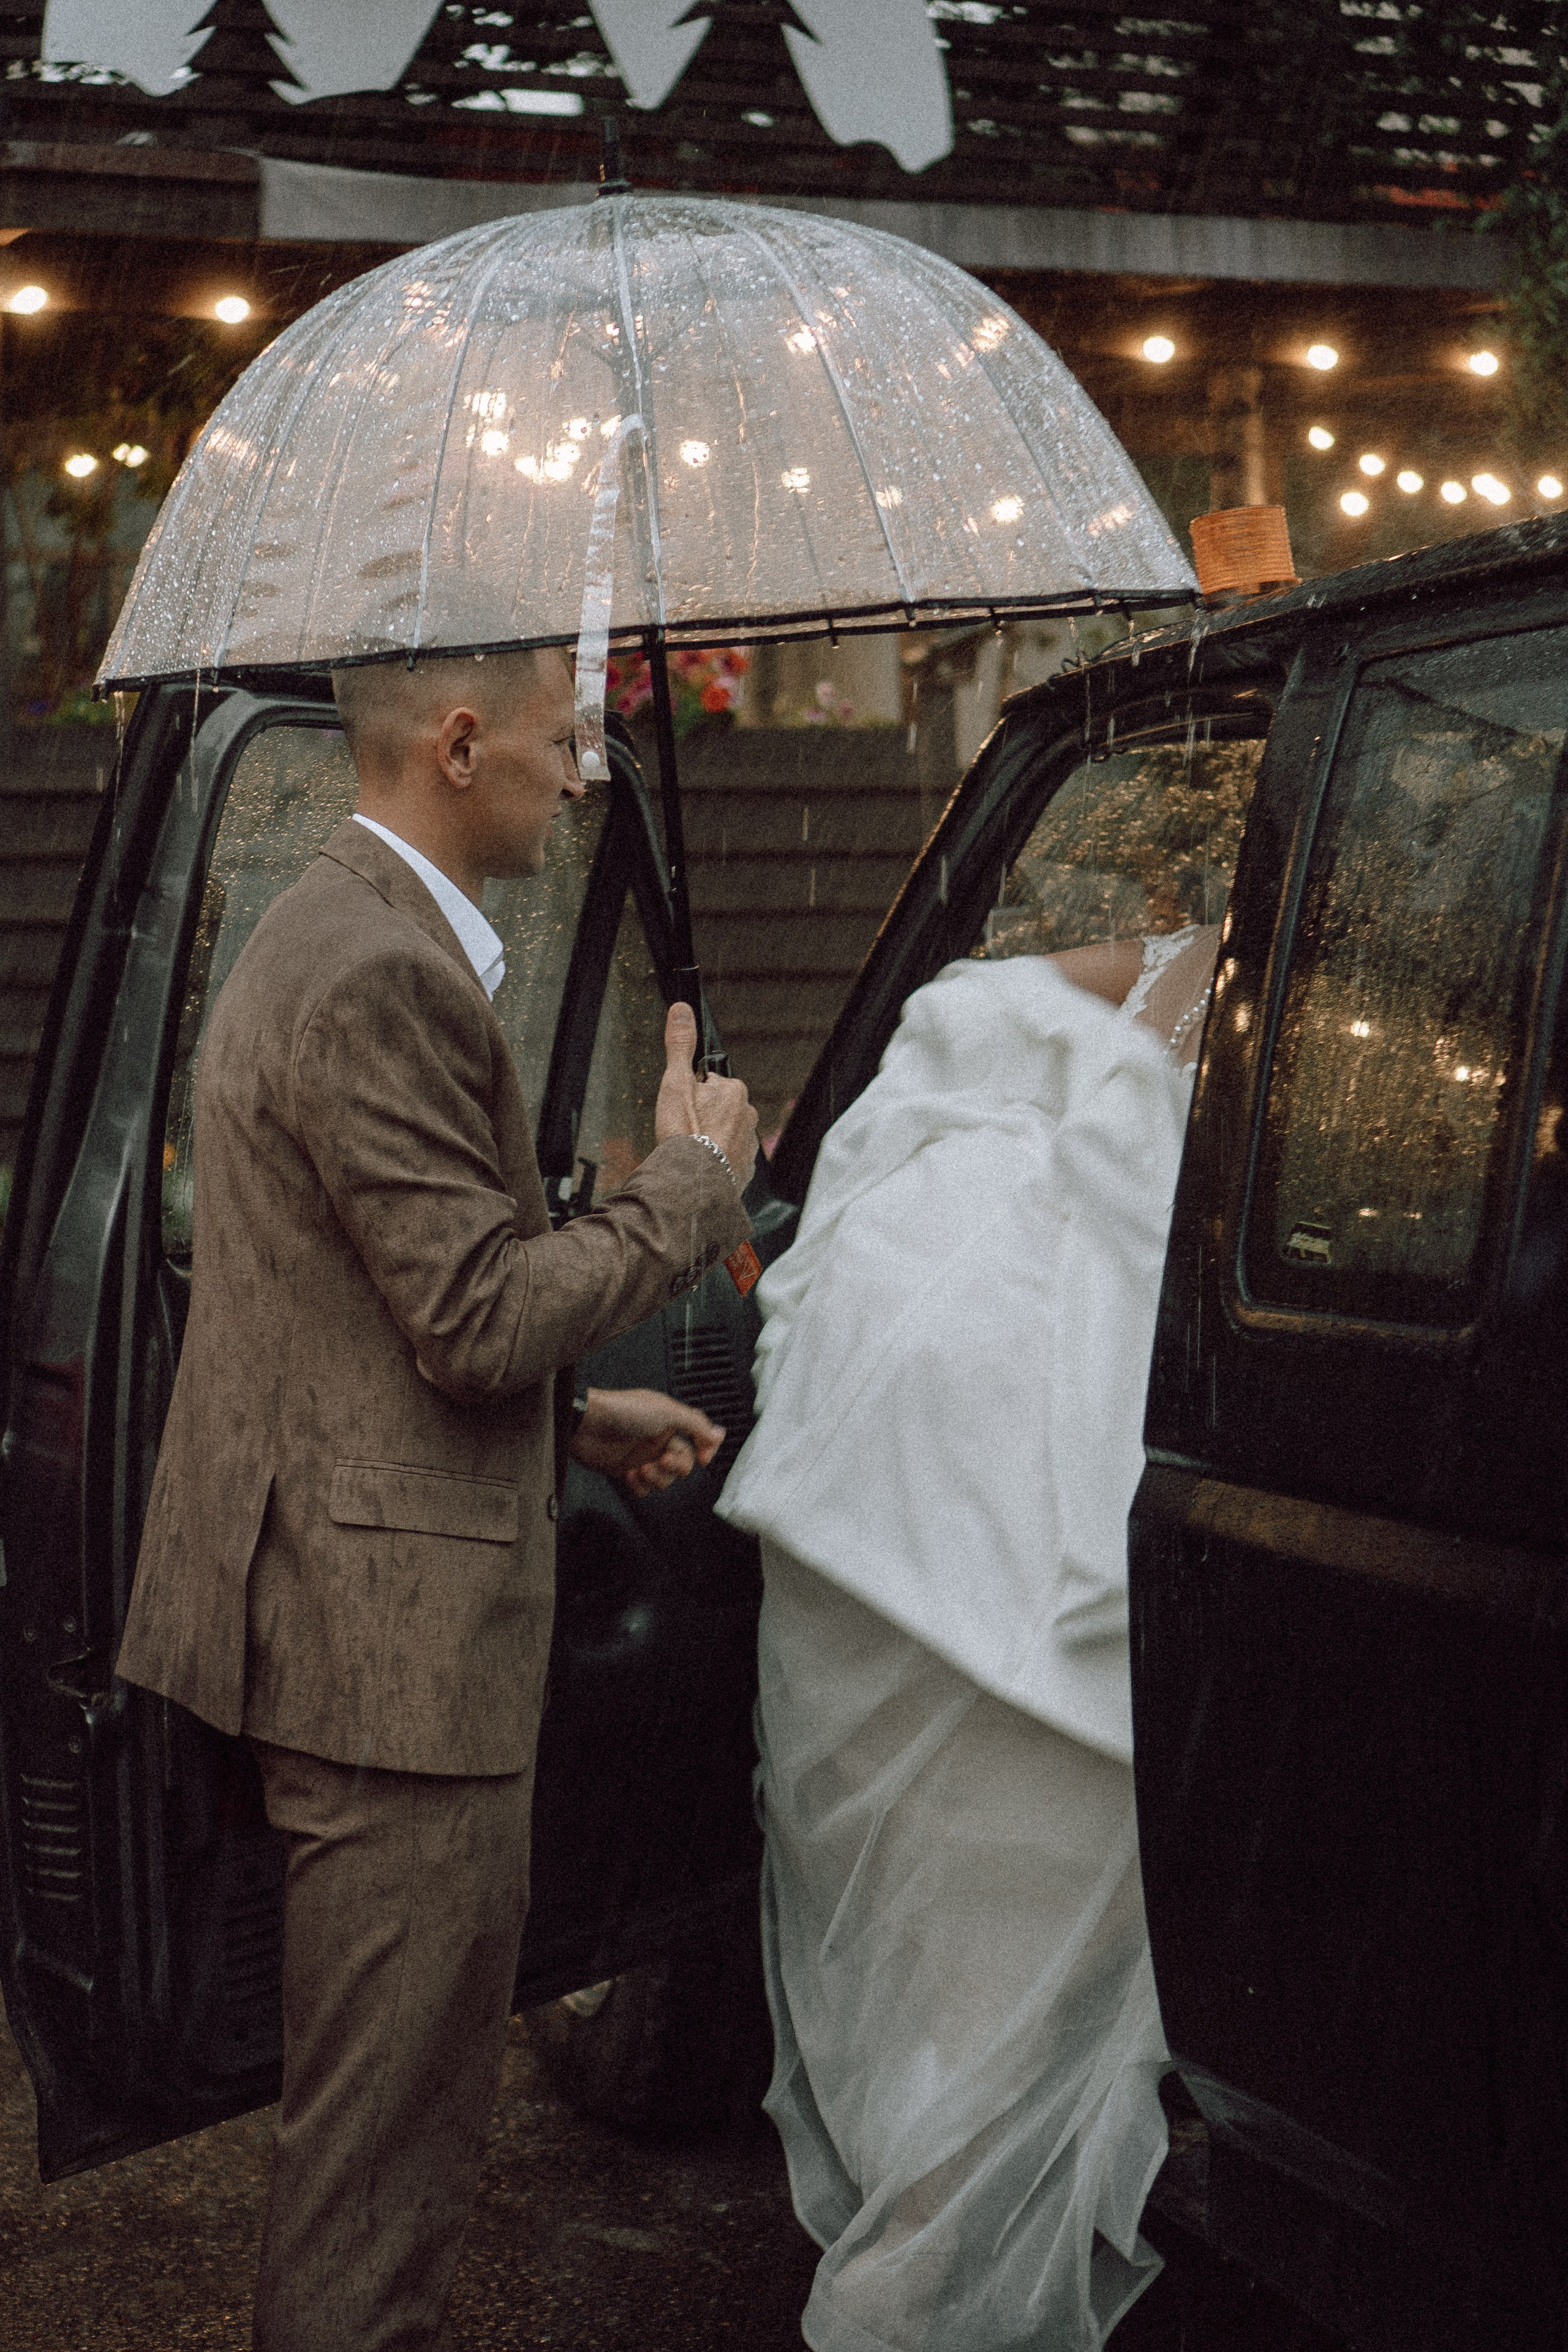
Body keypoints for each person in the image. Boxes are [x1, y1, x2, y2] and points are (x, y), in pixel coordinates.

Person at [114, 644, 759, 2352]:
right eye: (561, 743)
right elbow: (472, 1313)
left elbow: (355, 1322)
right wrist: (693, 1182)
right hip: (385, 1674)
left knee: (376, 2151)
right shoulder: (377, 971)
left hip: (343, 1623)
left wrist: (577, 1417)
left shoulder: (350, 937)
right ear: (460, 744)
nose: (578, 777)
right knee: (381, 2196)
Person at [718, 918, 1220, 2352]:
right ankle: (923, 2278)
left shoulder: (954, 1051)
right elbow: (1138, 1225)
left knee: (919, 1951)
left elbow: (811, 1266)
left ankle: (910, 2262)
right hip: (1028, 1590)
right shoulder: (1213, 1003)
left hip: (869, 1529)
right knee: (1001, 1988)